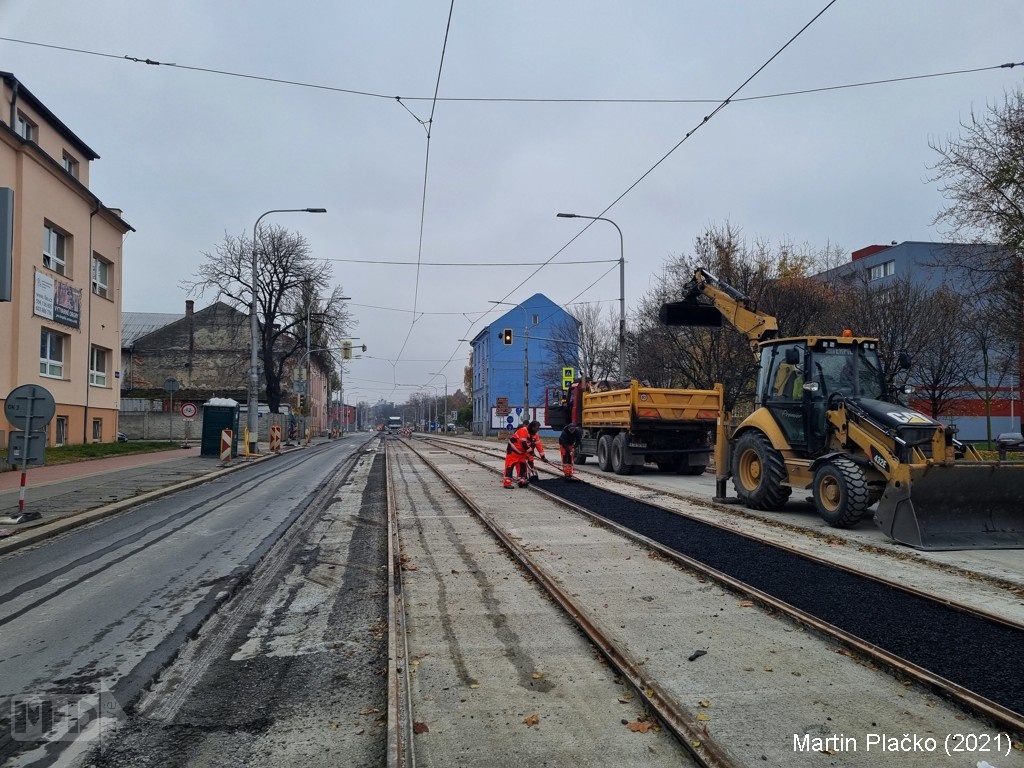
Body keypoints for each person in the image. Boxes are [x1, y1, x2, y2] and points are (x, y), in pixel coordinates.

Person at [503, 421, 534, 488]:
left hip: (521, 453)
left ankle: (521, 480)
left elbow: (529, 445)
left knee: (522, 466)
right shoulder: (522, 432)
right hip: (512, 452)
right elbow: (524, 444)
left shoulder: (530, 434)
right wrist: (530, 452)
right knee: (509, 467)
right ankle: (507, 482)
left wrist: (530, 455)